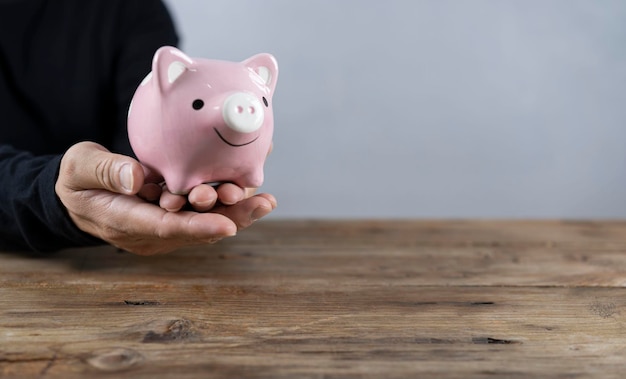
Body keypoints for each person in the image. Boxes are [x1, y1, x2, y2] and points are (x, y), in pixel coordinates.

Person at [0, 0, 276, 255]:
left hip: (109, 256)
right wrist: (50, 195)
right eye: (198, 104)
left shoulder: (136, 9)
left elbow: (136, 155)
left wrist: (153, 186)